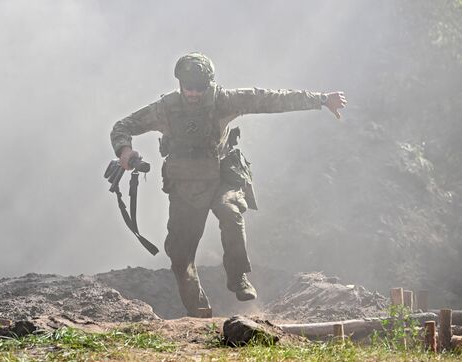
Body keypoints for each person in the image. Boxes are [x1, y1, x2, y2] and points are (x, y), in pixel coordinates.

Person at [110, 52, 347, 317]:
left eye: (199, 87)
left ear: (208, 84)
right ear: (180, 84)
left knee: (231, 212)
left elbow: (269, 99)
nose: (193, 93)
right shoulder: (166, 108)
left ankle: (238, 276)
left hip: (222, 176)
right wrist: (125, 152)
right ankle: (199, 314)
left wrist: (321, 100)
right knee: (180, 256)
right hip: (186, 186)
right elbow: (123, 125)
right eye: (188, 87)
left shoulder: (223, 101)